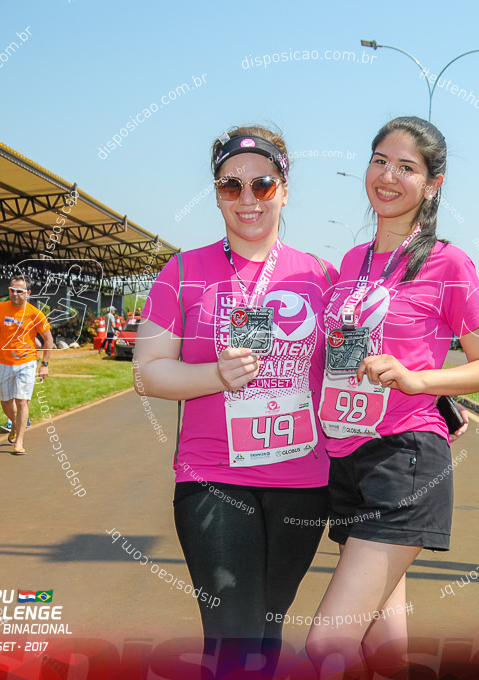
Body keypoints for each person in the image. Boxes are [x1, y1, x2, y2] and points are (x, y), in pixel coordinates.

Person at [305, 117, 479, 678]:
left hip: (403, 461)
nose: (388, 176)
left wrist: (423, 384)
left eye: (407, 167)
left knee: (327, 647)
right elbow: (353, 354)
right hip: (346, 460)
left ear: (433, 184)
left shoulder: (449, 263)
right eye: (379, 160)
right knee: (385, 646)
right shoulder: (350, 265)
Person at [133, 125, 335, 674]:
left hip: (302, 484)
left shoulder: (320, 275)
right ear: (217, 192)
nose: (247, 199)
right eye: (231, 186)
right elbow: (147, 374)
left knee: (267, 626)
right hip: (213, 477)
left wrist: (430, 403)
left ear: (285, 189)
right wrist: (216, 376)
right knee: (234, 631)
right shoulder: (181, 272)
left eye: (263, 185)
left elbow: (351, 367)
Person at [0, 275, 53, 454]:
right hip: (5, 362)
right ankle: (15, 424)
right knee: (5, 402)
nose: (15, 295)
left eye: (20, 292)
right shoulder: (0, 308)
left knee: (21, 401)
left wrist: (44, 364)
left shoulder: (35, 313)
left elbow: (48, 338)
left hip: (27, 362)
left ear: (27, 293)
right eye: (12, 291)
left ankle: (19, 441)